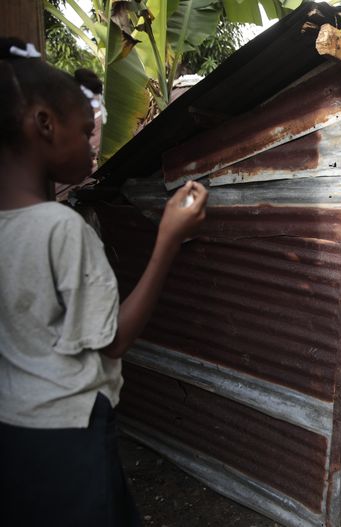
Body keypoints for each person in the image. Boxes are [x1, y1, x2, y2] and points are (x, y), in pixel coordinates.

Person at [0, 38, 207, 526]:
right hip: (68, 428)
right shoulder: (60, 228)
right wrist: (168, 239)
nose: (95, 141)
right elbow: (113, 340)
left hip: (14, 429)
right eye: (83, 129)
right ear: (44, 125)